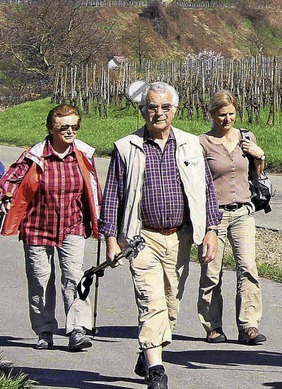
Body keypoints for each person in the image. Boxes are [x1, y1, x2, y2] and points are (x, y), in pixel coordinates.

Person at [99, 82, 221, 389]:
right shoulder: (126, 147)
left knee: (170, 305)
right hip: (142, 237)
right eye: (152, 107)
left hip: (179, 237)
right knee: (150, 301)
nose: (159, 113)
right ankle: (156, 370)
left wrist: (211, 230)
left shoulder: (192, 145)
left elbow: (207, 191)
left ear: (175, 110)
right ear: (142, 110)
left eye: (165, 107)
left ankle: (148, 350)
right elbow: (112, 195)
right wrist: (111, 240)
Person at [0, 104, 100, 352]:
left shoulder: (83, 154)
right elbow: (10, 179)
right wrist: (6, 196)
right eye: (63, 127)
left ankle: (76, 329)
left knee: (74, 278)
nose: (70, 131)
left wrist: (100, 219)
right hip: (37, 226)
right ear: (50, 129)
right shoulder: (34, 155)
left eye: (74, 126)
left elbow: (94, 188)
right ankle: (45, 330)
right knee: (40, 281)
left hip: (72, 225)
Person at [198, 90, 267, 346]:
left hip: (243, 212)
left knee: (248, 268)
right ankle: (212, 325)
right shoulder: (202, 143)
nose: (227, 120)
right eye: (221, 115)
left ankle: (249, 325)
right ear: (212, 114)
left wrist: (259, 155)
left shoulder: (245, 137)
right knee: (211, 272)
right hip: (213, 215)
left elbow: (257, 175)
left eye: (231, 114)